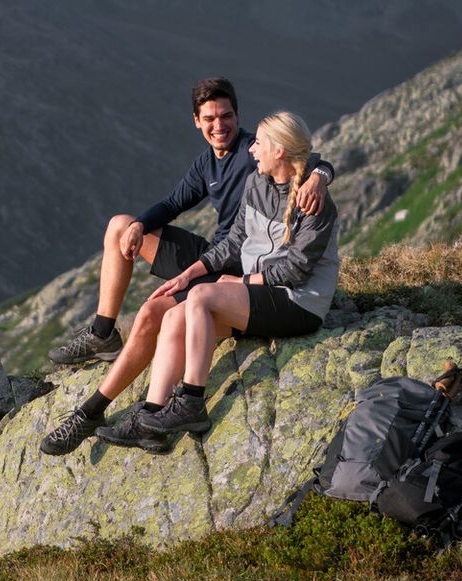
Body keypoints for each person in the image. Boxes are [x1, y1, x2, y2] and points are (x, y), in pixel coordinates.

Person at [39, 105, 338, 456]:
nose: (251, 149)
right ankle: (151, 419)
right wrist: (188, 274)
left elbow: (297, 270)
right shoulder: (256, 181)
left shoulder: (313, 200)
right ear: (198, 121)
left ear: (279, 150)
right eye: (208, 118)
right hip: (260, 291)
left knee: (201, 298)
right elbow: (232, 241)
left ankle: (191, 402)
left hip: (296, 301)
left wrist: (240, 283)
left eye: (258, 143)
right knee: (172, 315)